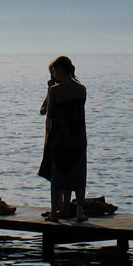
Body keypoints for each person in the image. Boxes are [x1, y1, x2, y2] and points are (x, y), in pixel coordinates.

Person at [38, 56, 87, 222]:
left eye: (55, 71)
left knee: (58, 176)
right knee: (79, 175)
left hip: (60, 138)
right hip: (79, 137)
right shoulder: (82, 89)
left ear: (60, 70)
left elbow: (49, 114)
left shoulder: (55, 90)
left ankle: (53, 213)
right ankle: (80, 212)